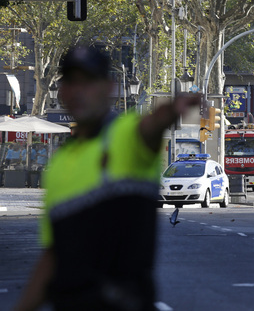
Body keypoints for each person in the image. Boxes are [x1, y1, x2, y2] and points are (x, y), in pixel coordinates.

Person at [14, 46, 200, 311]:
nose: (78, 90)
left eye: (88, 82)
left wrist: (170, 111)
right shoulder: (59, 165)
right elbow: (53, 255)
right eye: (71, 82)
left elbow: (148, 128)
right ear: (62, 91)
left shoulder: (124, 134)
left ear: (109, 87)